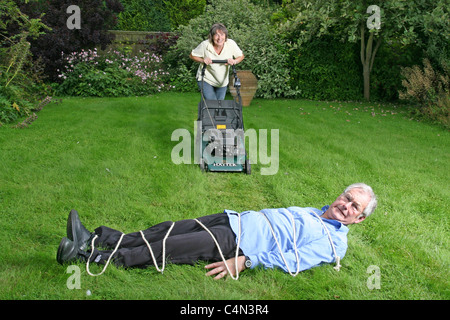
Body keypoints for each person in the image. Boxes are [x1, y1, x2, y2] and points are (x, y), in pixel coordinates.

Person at [57, 183, 377, 280]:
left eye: (354, 208)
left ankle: (93, 257)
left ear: (358, 220)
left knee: (171, 247)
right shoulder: (314, 212)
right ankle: (102, 237)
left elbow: (295, 259)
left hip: (238, 241)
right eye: (347, 197)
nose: (347, 206)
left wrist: (246, 261)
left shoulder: (334, 244)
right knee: (165, 229)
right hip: (231, 219)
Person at [189, 23, 245, 101]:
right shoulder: (205, 45)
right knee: (213, 103)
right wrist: (203, 60)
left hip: (222, 81)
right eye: (216, 35)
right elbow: (192, 55)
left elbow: (241, 56)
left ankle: (212, 113)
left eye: (222, 35)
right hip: (206, 79)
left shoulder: (231, 44)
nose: (219, 38)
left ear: (225, 36)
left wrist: (234, 61)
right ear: (212, 36)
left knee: (219, 105)